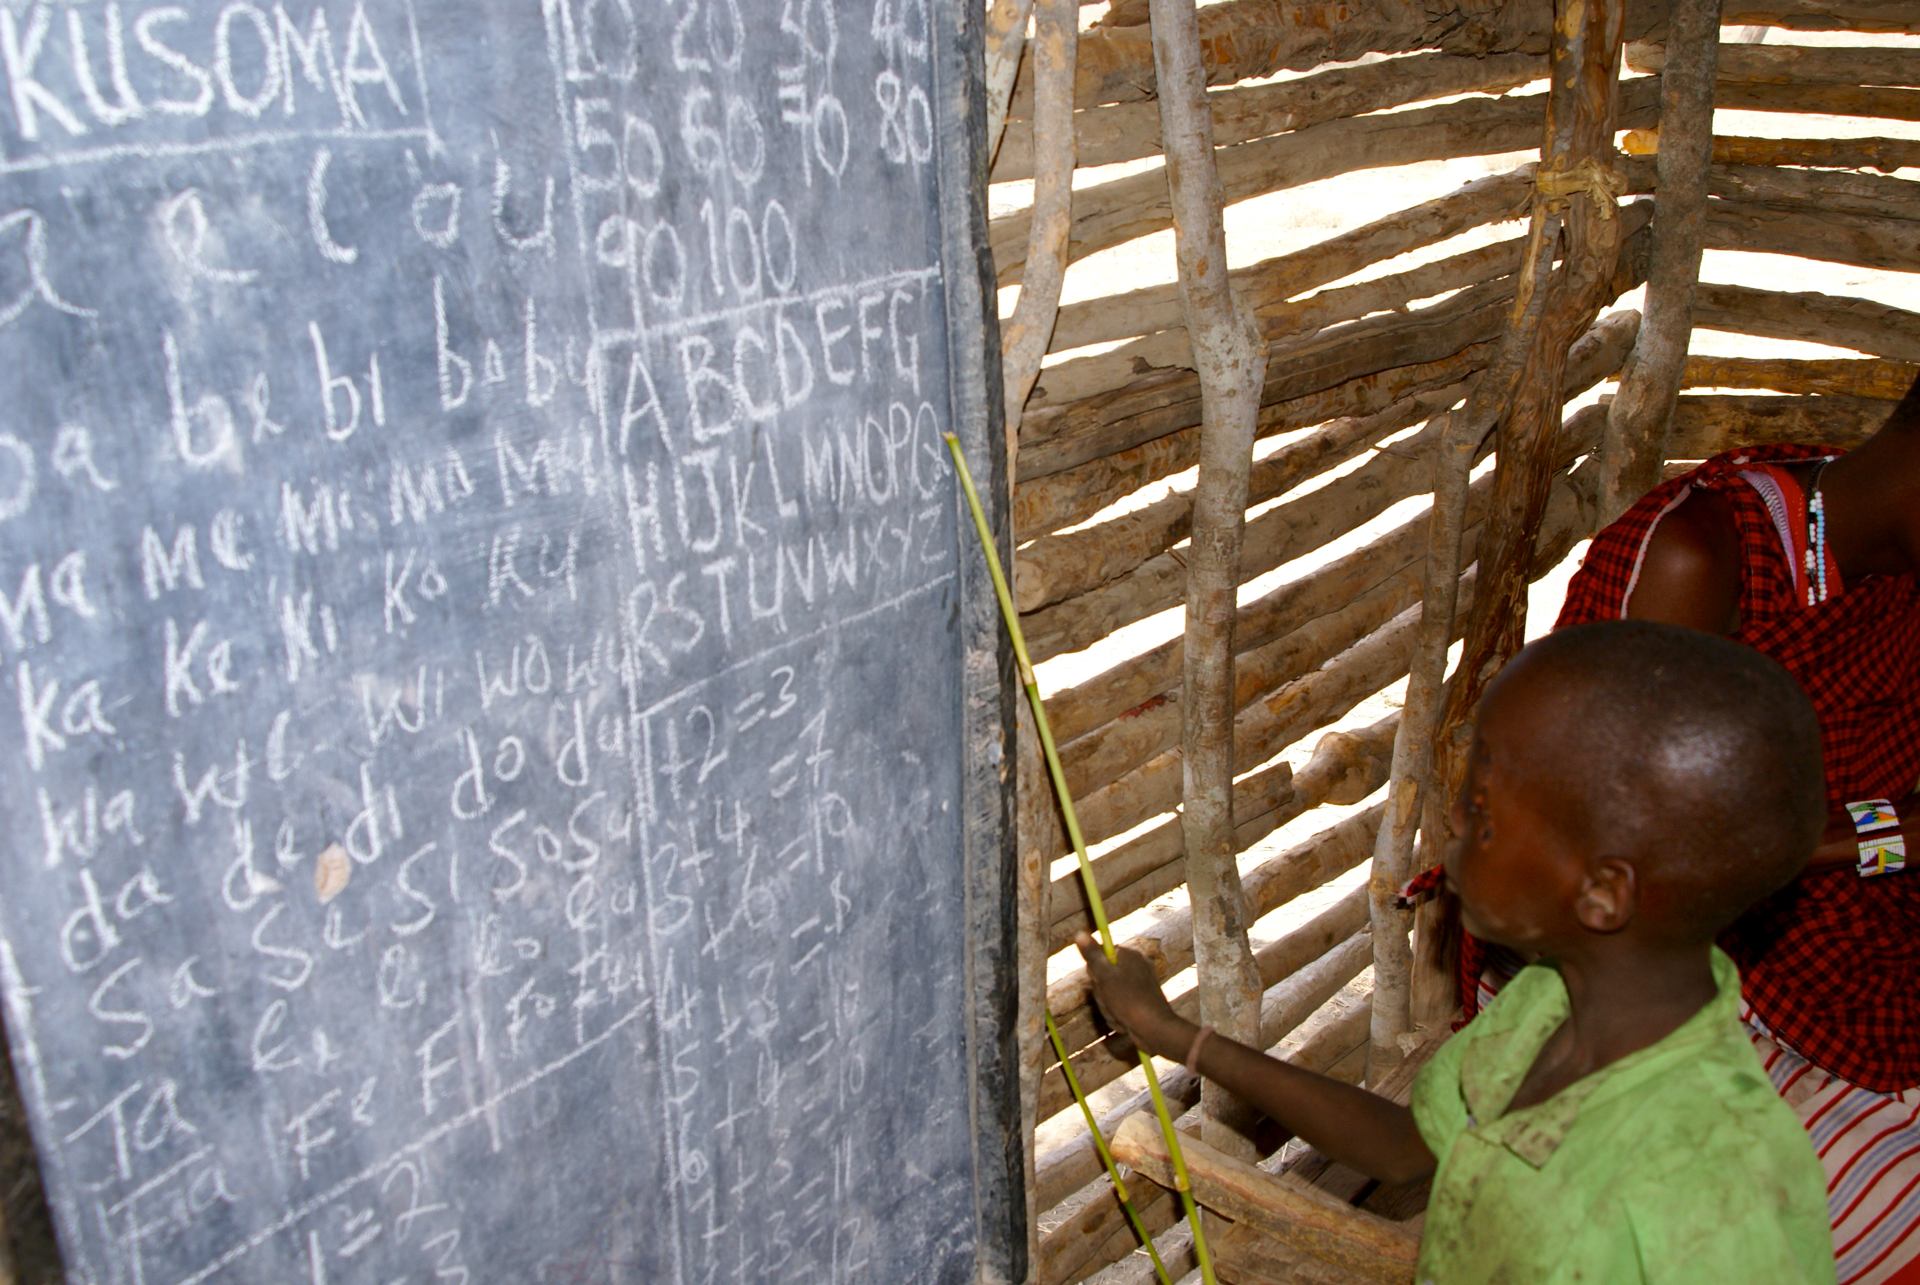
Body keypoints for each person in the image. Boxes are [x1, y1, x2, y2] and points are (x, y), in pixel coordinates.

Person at [1082, 621, 1836, 1283]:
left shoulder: (1721, 1181)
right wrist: (1174, 1032)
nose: (1451, 839)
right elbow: (1406, 1145)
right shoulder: (1547, 1006)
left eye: (1480, 816)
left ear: (1603, 893)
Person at [1477, 374, 1920, 1284]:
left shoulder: (1886, 576)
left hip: (1818, 925)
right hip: (1630, 954)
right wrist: (1874, 837)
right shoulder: (1705, 554)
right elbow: (1613, 858)